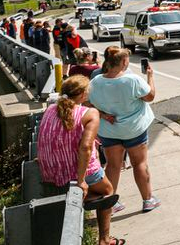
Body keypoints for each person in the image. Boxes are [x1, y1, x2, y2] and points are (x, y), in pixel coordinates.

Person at [37, 76, 120, 245]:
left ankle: (89, 196)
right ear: (83, 94)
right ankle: (104, 240)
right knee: (108, 190)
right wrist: (81, 180)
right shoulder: (90, 113)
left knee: (97, 188)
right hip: (76, 170)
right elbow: (86, 148)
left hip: (51, 169)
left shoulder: (51, 109)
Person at [89, 48, 159, 214]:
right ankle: (148, 200)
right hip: (134, 130)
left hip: (109, 132)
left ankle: (111, 203)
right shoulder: (132, 80)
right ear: (123, 62)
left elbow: (88, 103)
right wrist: (150, 76)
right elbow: (150, 96)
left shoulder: (96, 82)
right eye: (127, 59)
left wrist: (104, 115)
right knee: (139, 164)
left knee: (113, 165)